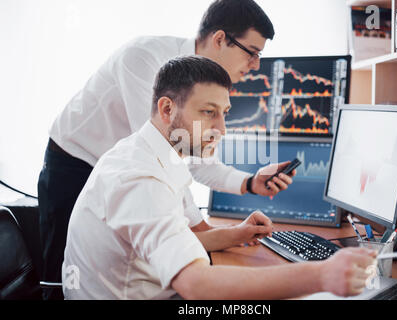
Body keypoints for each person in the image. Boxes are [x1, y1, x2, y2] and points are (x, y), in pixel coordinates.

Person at [62, 56, 377, 300]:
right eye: (208, 112)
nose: (222, 128)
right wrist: (322, 275)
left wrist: (238, 233)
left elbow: (178, 242)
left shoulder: (157, 153)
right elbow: (196, 285)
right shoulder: (139, 179)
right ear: (167, 109)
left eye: (224, 112)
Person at [38, 0, 293, 300]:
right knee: (64, 280)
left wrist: (249, 183)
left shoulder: (195, 87)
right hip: (73, 163)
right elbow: (166, 155)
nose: (255, 66)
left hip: (119, 168)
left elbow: (186, 155)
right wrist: (203, 231)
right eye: (252, 52)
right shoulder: (145, 60)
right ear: (220, 39)